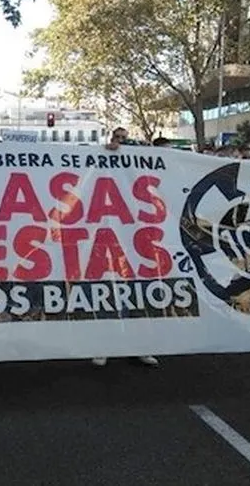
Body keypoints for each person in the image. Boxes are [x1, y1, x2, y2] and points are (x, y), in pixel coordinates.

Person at [96, 129, 160, 368]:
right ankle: (104, 347)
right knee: (109, 296)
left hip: (138, 240)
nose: (122, 143)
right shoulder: (104, 160)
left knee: (138, 297)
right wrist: (108, 150)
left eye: (126, 139)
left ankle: (140, 347)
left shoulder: (140, 162)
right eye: (118, 138)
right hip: (111, 240)